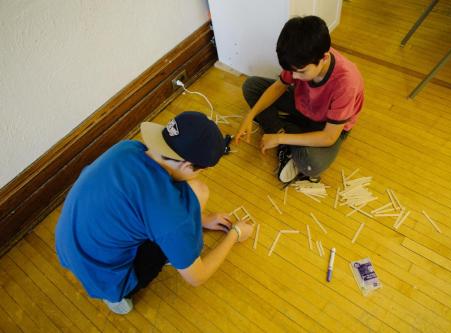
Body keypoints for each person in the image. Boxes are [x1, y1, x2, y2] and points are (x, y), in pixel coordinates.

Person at [55, 111, 254, 315]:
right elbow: (197, 277)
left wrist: (201, 219)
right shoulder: (167, 213)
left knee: (196, 191)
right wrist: (235, 234)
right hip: (104, 276)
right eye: (201, 169)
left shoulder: (129, 147)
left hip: (67, 243)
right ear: (186, 165)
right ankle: (115, 297)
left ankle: (172, 244)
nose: (199, 174)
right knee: (194, 196)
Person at [235, 15, 364, 183]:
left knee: (311, 164)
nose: (294, 76)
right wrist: (250, 116)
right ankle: (288, 134)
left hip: (328, 126)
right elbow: (279, 86)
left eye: (301, 72)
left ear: (324, 58)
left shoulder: (346, 82)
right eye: (292, 70)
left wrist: (280, 138)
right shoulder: (299, 58)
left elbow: (329, 137)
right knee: (251, 86)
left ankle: (282, 133)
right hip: (303, 104)